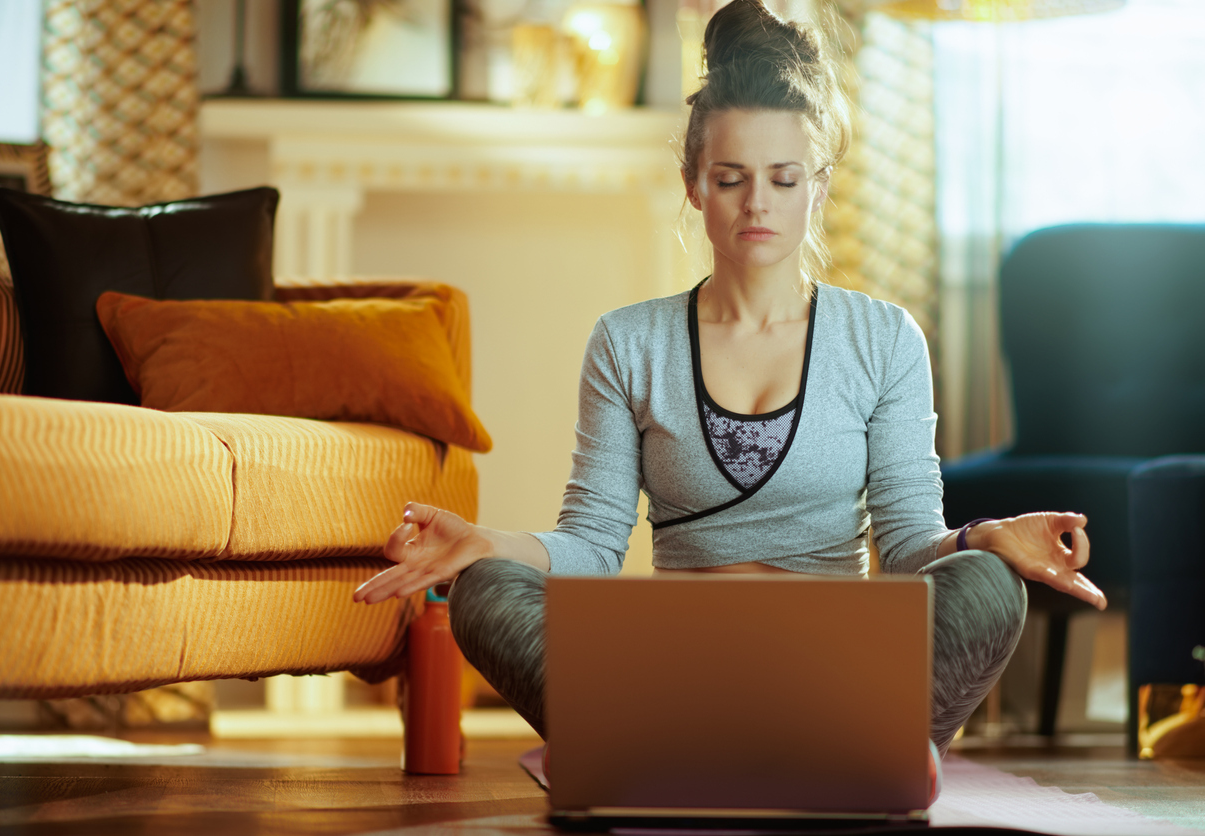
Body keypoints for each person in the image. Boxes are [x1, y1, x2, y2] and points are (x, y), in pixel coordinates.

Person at [353, 0, 1106, 772]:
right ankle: (797, 755)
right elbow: (591, 544)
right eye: (730, 178)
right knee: (485, 589)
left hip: (837, 670)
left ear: (817, 186)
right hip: (679, 665)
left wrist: (986, 539)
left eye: (783, 179)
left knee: (987, 586)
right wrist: (487, 543)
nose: (758, 204)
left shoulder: (884, 341)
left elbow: (911, 547)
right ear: (693, 186)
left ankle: (753, 748)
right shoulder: (628, 342)